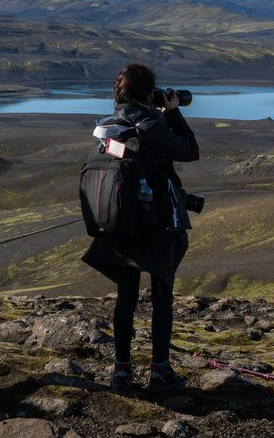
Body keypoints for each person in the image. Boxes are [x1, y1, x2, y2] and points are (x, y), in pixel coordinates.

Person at [82, 62, 200, 394]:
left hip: (121, 220)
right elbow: (189, 151)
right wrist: (172, 112)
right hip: (156, 221)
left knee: (126, 297)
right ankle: (159, 371)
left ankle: (121, 373)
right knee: (161, 295)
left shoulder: (108, 125)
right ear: (149, 92)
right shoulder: (149, 121)